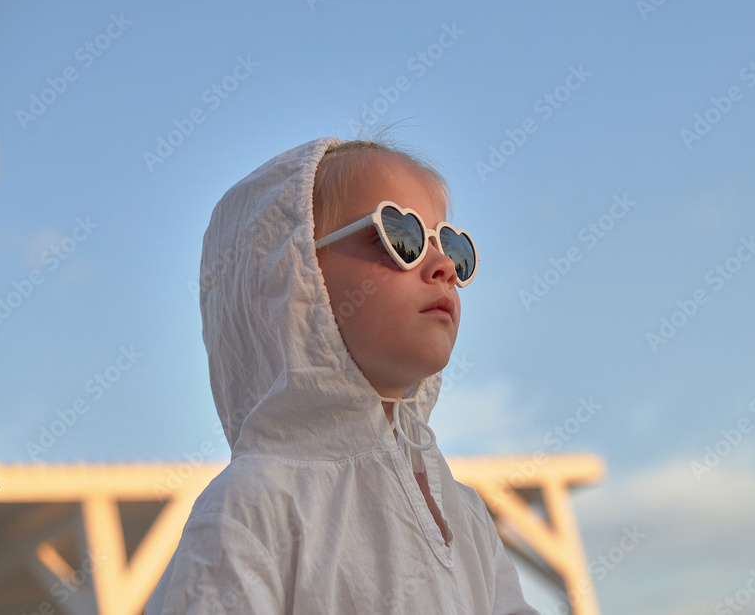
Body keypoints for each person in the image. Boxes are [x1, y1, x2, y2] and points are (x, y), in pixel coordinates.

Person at [145, 137, 537, 613]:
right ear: (291, 276)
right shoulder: (251, 507)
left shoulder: (466, 514)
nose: (442, 268)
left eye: (450, 246)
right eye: (400, 237)